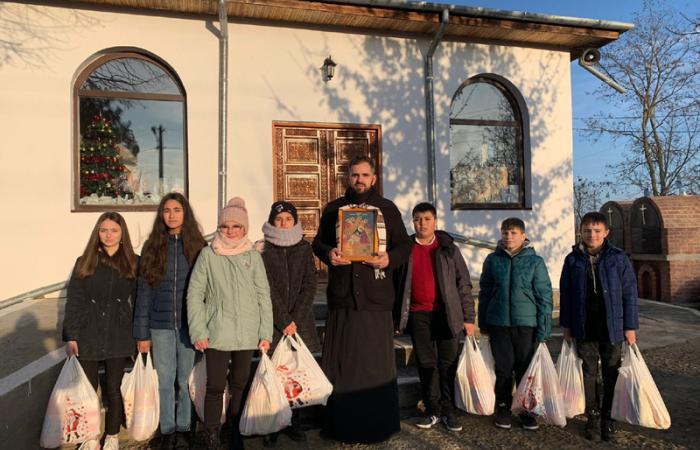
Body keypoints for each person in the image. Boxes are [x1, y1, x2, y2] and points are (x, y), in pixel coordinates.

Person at [312, 155, 411, 444]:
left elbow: (404, 245)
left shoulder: (387, 209)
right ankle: (341, 426)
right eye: (355, 175)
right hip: (343, 298)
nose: (359, 180)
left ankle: (377, 427)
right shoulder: (334, 209)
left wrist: (388, 259)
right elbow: (318, 243)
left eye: (365, 175)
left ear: (374, 178)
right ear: (348, 177)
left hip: (374, 298)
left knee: (374, 367)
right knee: (343, 365)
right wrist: (328, 254)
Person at [187, 197, 273, 450]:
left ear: (244, 228)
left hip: (247, 331)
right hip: (217, 330)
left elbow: (263, 295)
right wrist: (198, 330)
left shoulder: (253, 256)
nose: (230, 231)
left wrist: (265, 332)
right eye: (225, 226)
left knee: (240, 383)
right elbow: (195, 294)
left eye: (236, 226)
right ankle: (212, 434)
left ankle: (235, 431)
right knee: (215, 385)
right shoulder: (208, 254)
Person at [133, 193, 207, 450]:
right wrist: (142, 333)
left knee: (186, 380)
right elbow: (143, 292)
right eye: (167, 210)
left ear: (185, 213)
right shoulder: (152, 247)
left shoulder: (198, 247)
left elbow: (206, 291)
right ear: (161, 215)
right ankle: (167, 429)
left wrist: (204, 326)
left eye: (177, 209)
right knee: (165, 381)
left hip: (189, 326)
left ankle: (185, 427)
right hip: (160, 325)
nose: (172, 215)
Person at [395, 202, 474, 432]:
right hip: (418, 315)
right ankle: (432, 410)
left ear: (435, 221)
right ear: (413, 222)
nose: (422, 224)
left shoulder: (448, 248)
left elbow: (463, 283)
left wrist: (469, 317)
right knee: (426, 364)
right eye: (417, 219)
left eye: (427, 219)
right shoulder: (406, 249)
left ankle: (449, 410)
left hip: (447, 314)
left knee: (447, 363)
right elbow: (396, 285)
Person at [560, 211, 638, 442]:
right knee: (589, 374)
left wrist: (630, 326)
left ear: (606, 232)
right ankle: (592, 417)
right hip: (584, 326)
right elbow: (566, 295)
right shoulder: (572, 259)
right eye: (587, 230)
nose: (591, 235)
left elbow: (629, 293)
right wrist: (566, 325)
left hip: (612, 326)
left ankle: (608, 417)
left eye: (596, 231)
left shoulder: (619, 258)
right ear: (580, 232)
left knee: (611, 372)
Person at [63, 212, 139, 450]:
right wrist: (71, 335)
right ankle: (90, 437)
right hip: (89, 331)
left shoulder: (133, 262)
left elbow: (140, 300)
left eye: (114, 230)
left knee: (114, 389)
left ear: (122, 234)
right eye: (104, 230)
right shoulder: (85, 261)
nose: (108, 235)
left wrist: (141, 334)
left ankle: (113, 435)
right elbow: (74, 300)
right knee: (88, 390)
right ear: (97, 233)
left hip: (119, 332)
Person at [478, 217, 552, 431]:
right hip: (499, 323)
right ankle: (503, 407)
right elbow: (485, 292)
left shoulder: (535, 262)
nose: (509, 237)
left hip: (526, 324)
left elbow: (544, 296)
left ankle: (527, 409)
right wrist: (483, 322)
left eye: (513, 233)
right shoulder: (493, 260)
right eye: (505, 233)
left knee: (525, 368)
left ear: (523, 236)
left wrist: (543, 328)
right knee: (503, 368)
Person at [257, 201, 319, 447]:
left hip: (300, 323)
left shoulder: (304, 248)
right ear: (272, 221)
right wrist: (283, 320)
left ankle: (295, 422)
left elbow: (310, 283)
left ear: (295, 222)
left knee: (296, 374)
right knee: (274, 375)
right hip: (273, 323)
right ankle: (274, 423)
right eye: (279, 219)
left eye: (288, 219)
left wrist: (295, 320)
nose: (283, 223)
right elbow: (265, 288)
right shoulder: (263, 249)